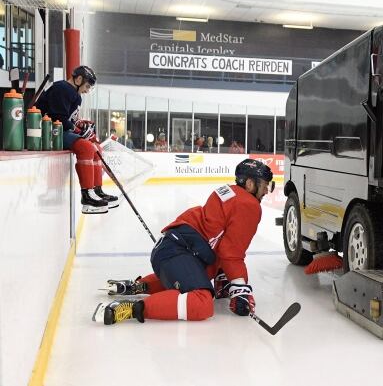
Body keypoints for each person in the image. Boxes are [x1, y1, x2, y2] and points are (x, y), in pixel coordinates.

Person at [92, 159, 275, 325]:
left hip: (172, 248)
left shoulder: (229, 192)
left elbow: (218, 240)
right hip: (179, 251)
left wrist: (225, 277)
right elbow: (230, 252)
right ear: (250, 184)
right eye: (265, 185)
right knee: (202, 303)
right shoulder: (249, 205)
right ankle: (128, 308)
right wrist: (240, 287)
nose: (267, 190)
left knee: (191, 278)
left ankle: (134, 286)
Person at [35, 65, 119, 214]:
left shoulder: (75, 95)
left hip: (57, 129)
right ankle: (86, 197)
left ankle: (96, 191)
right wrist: (78, 131)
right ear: (78, 79)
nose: (87, 90)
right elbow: (58, 118)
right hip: (47, 130)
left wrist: (80, 125)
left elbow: (67, 119)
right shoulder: (62, 88)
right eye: (87, 86)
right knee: (86, 147)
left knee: (96, 148)